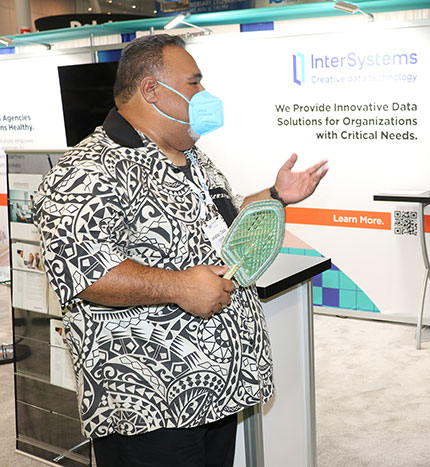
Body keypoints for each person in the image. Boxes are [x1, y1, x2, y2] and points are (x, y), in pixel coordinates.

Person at [34, 34, 328, 467]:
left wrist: (274, 194)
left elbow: (222, 219)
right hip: (149, 407)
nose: (204, 95)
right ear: (150, 90)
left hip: (215, 394)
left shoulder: (192, 156)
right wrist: (179, 287)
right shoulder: (86, 169)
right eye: (194, 83)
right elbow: (84, 274)